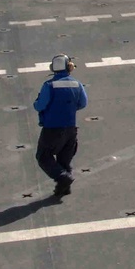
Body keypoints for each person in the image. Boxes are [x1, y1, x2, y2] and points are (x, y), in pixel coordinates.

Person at [33, 54, 88, 198]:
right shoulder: (77, 84)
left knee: (43, 157)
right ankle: (63, 189)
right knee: (64, 160)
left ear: (53, 69)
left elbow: (39, 105)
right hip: (71, 129)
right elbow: (83, 103)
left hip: (52, 129)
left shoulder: (49, 85)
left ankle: (63, 179)